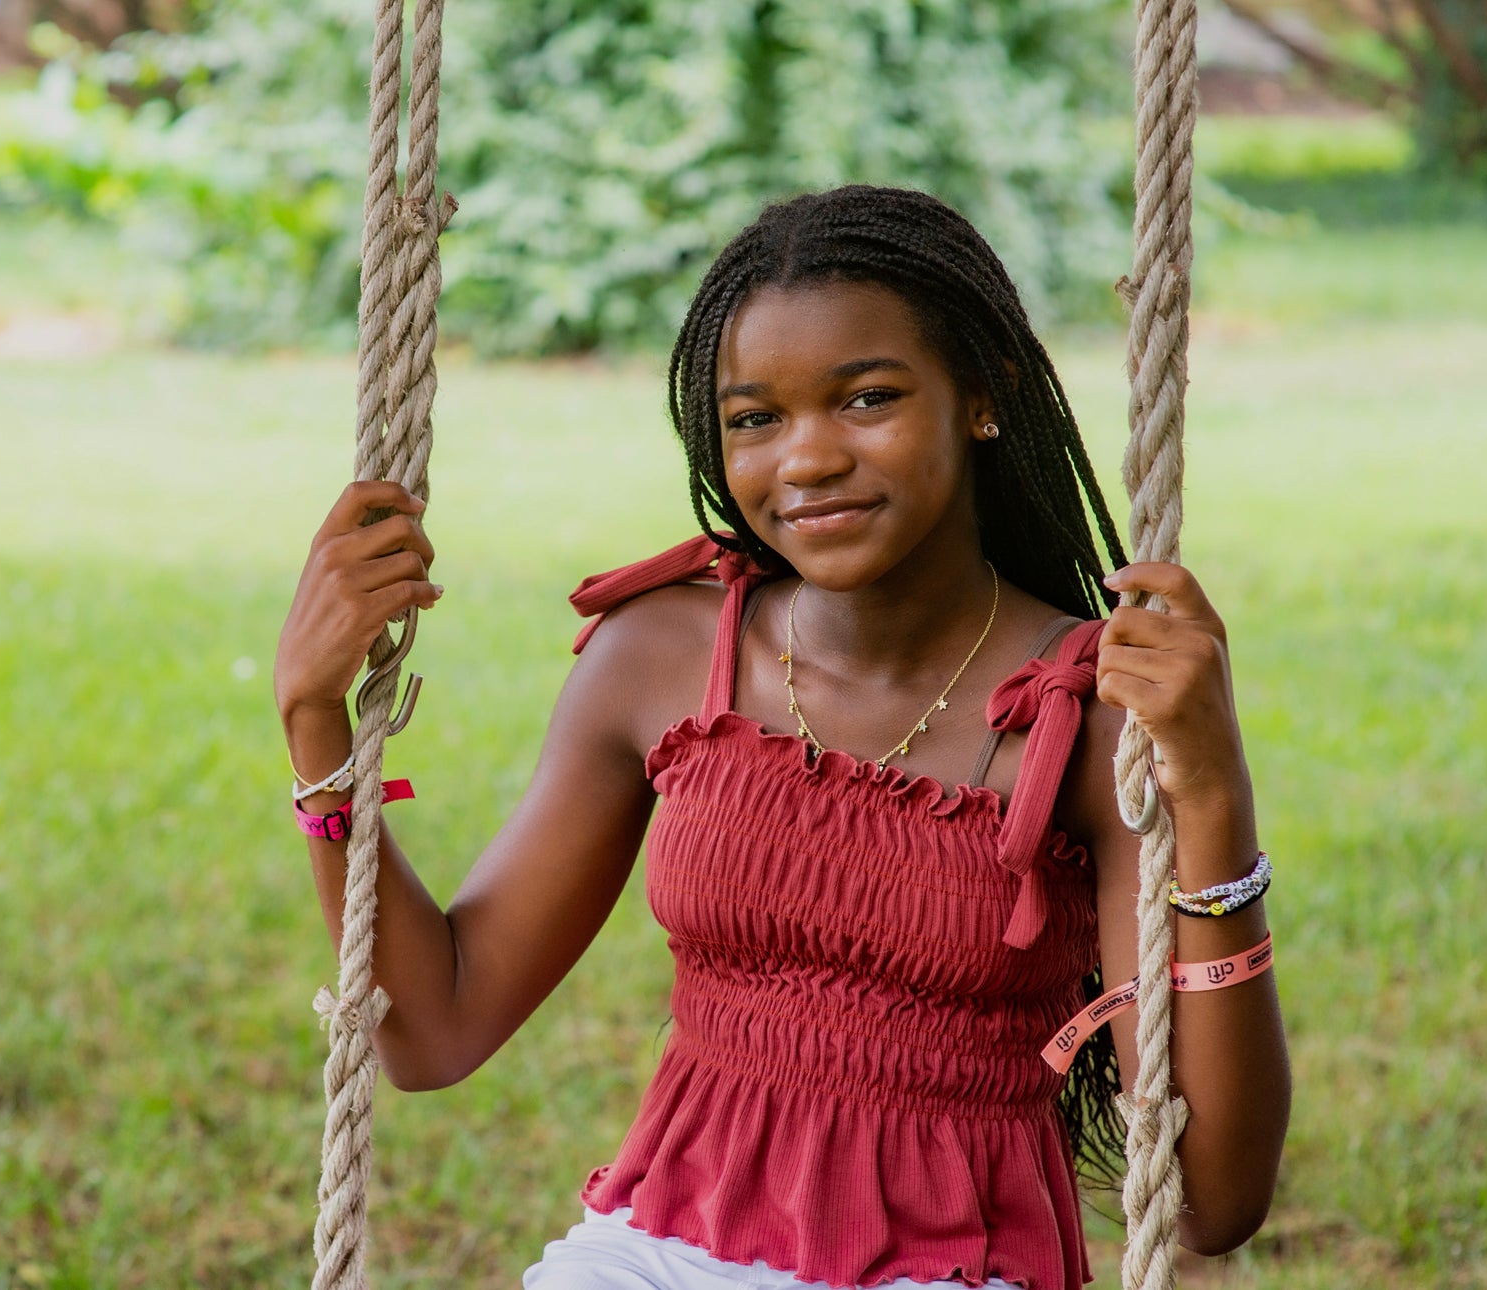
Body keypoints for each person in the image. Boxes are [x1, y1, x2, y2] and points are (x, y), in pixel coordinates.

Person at [274, 185, 1289, 1290]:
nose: (804, 460)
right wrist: (314, 720)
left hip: (948, 1269)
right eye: (754, 418)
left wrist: (1213, 802)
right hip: (655, 1251)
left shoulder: (1092, 719)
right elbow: (434, 1025)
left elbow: (1206, 1198)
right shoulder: (658, 657)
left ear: (982, 397)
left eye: (864, 399)